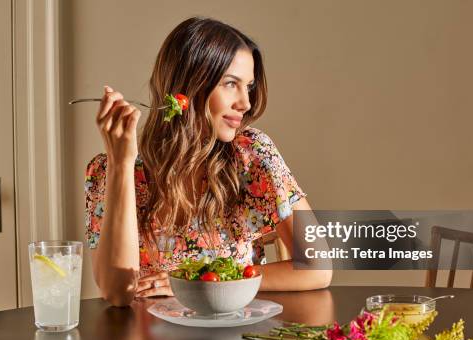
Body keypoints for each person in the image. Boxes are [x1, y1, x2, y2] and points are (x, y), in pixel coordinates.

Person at [85, 16, 332, 307]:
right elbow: (117, 292)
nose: (246, 103)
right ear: (188, 87)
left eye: (248, 86)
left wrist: (202, 279)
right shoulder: (109, 169)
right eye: (231, 84)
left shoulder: (251, 155)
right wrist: (121, 164)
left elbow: (318, 267)